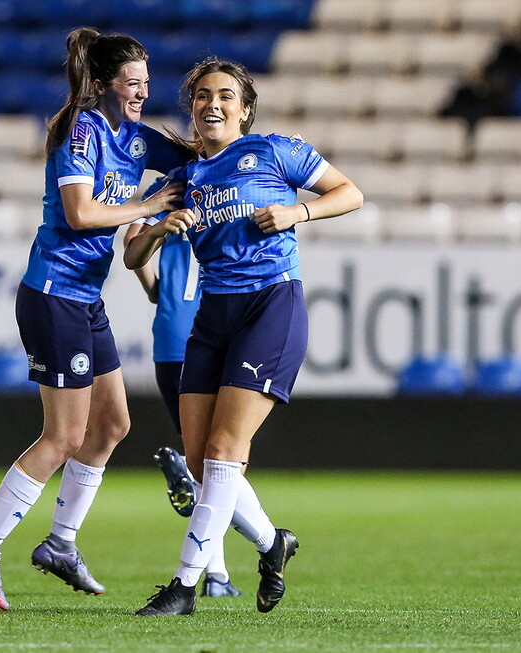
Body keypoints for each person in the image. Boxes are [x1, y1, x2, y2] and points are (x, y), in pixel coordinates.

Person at [0, 27, 189, 611]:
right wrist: (152, 206)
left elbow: (192, 162)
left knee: (112, 425)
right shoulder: (78, 131)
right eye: (133, 83)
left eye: (146, 83)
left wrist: (239, 156)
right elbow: (81, 213)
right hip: (53, 294)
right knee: (64, 437)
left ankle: (60, 543)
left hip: (84, 298)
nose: (141, 92)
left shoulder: (133, 136)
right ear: (106, 83)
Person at [125, 58, 363, 616]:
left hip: (271, 306)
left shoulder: (276, 151)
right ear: (192, 108)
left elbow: (350, 193)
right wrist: (160, 228)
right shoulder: (182, 179)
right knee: (202, 462)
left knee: (226, 451)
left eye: (226, 96)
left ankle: (184, 587)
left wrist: (298, 212)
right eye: (203, 95)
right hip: (212, 316)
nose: (214, 104)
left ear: (245, 110)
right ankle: (272, 543)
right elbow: (132, 252)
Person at [124, 176, 242, 599]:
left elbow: (133, 244)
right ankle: (224, 571)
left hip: (170, 337)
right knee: (224, 462)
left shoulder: (171, 187)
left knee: (213, 463)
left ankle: (218, 576)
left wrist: (157, 286)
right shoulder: (234, 181)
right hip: (215, 330)